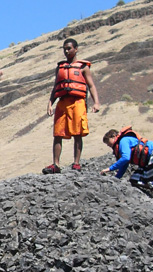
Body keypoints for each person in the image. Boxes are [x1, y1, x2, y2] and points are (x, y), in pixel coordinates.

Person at [41, 38, 100, 174]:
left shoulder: (83, 67)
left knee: (77, 132)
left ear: (76, 49)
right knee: (58, 133)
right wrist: (50, 103)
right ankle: (56, 164)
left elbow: (91, 85)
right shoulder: (60, 67)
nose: (66, 51)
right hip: (62, 102)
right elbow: (56, 87)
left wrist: (96, 102)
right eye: (64, 49)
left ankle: (76, 163)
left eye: (69, 48)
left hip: (77, 102)